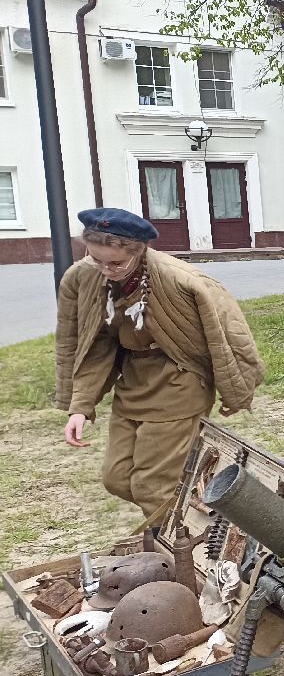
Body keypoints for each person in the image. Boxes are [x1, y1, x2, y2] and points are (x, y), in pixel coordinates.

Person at [55, 208, 264, 523]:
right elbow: (90, 345)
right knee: (118, 479)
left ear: (139, 251)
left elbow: (228, 335)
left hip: (179, 385)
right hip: (134, 384)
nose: (106, 270)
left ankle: (182, 552)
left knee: (152, 487)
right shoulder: (84, 276)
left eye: (115, 263)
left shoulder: (180, 280)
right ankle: (204, 504)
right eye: (97, 260)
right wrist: (79, 407)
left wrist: (235, 389)